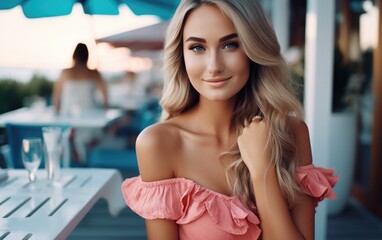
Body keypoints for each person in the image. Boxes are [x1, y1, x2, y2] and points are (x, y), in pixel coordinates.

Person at [121, 0, 338, 239]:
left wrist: (263, 171)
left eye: (230, 45)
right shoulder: (159, 143)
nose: (214, 66)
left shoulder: (292, 132)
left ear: (253, 49)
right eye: (197, 48)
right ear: (181, 55)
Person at [52, 43, 108, 162]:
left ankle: (74, 156)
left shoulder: (65, 72)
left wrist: (57, 114)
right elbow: (105, 98)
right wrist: (104, 111)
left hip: (69, 120)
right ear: (87, 56)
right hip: (91, 120)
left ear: (74, 56)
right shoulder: (94, 73)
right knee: (91, 144)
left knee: (67, 140)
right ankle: (86, 159)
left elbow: (56, 99)